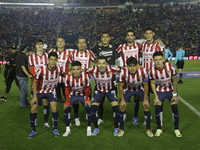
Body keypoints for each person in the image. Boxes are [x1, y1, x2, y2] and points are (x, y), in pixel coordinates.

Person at [149, 51, 182, 138]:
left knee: (174, 107)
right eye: (156, 60)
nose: (158, 62)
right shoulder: (151, 70)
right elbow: (152, 83)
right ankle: (159, 129)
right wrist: (155, 96)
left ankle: (176, 129)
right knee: (157, 108)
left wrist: (175, 94)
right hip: (160, 91)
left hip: (170, 90)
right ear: (153, 60)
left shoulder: (170, 67)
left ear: (163, 59)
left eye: (160, 59)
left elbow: (174, 80)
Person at [28, 52, 61, 138]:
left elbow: (66, 74)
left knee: (54, 107)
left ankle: (55, 128)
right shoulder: (41, 69)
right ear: (48, 60)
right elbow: (35, 82)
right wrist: (34, 96)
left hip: (51, 91)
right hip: (39, 91)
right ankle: (33, 130)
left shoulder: (59, 69)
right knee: (33, 109)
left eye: (54, 60)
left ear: (57, 60)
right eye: (51, 60)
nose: (53, 62)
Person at [118, 57, 153, 137]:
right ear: (127, 66)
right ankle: (121, 129)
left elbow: (146, 86)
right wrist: (122, 100)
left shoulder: (143, 71)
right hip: (128, 90)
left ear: (137, 65)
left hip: (140, 89)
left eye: (134, 65)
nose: (132, 68)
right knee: (122, 106)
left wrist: (145, 99)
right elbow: (120, 87)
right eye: (130, 66)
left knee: (146, 106)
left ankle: (148, 129)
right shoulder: (123, 72)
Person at [86, 56, 120, 136]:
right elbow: (83, 71)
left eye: (103, 63)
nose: (101, 65)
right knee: (93, 108)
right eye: (99, 63)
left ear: (107, 64)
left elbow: (124, 69)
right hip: (99, 91)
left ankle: (116, 128)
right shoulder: (92, 69)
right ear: (96, 64)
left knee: (115, 108)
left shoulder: (112, 68)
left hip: (110, 90)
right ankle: (96, 128)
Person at [92, 32, 119, 126]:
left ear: (109, 38)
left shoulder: (114, 46)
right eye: (103, 37)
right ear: (101, 38)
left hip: (112, 77)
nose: (105, 39)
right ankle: (100, 118)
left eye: (107, 37)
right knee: (100, 99)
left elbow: (125, 44)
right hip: (100, 76)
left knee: (114, 98)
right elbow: (89, 52)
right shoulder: (97, 48)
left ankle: (115, 116)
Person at [116, 29, 142, 126]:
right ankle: (122, 114)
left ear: (134, 37)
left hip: (136, 72)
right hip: (124, 72)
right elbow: (112, 53)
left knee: (136, 95)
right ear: (126, 37)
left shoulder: (139, 46)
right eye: (128, 35)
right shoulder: (121, 46)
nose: (130, 37)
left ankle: (135, 116)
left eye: (132, 35)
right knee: (122, 93)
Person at [69, 37, 96, 126]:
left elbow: (95, 63)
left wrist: (89, 71)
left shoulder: (90, 53)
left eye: (83, 42)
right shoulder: (73, 53)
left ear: (86, 44)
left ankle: (87, 115)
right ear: (77, 44)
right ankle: (76, 117)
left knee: (87, 99)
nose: (81, 44)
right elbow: (68, 64)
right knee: (76, 100)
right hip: (75, 81)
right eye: (79, 43)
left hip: (86, 81)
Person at [141, 26, 165, 125]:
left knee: (158, 97)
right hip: (145, 75)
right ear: (144, 35)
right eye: (146, 33)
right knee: (146, 97)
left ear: (153, 34)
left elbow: (163, 59)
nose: (148, 35)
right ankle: (148, 116)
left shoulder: (158, 44)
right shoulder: (142, 45)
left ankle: (160, 118)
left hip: (155, 75)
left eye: (150, 33)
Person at [63, 61, 92, 137]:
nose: (76, 71)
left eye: (77, 69)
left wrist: (87, 99)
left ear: (81, 69)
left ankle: (89, 128)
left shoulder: (85, 76)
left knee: (88, 107)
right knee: (67, 108)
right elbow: (67, 90)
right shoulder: (68, 77)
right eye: (74, 69)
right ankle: (68, 129)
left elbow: (87, 89)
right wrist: (67, 101)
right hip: (72, 95)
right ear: (71, 70)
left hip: (83, 95)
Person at [29, 39, 50, 129]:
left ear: (43, 45)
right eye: (37, 44)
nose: (39, 46)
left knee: (46, 102)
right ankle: (35, 120)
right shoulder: (31, 57)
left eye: (41, 44)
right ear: (35, 46)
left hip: (46, 83)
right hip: (36, 83)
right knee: (35, 103)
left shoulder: (47, 56)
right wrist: (38, 77)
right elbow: (32, 69)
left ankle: (45, 122)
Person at [49, 38, 71, 103]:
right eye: (58, 41)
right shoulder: (52, 51)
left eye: (62, 41)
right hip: (54, 77)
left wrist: (71, 71)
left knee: (66, 93)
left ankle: (67, 101)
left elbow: (73, 62)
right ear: (56, 43)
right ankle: (58, 99)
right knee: (56, 94)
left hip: (65, 77)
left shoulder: (68, 53)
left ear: (64, 43)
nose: (60, 43)